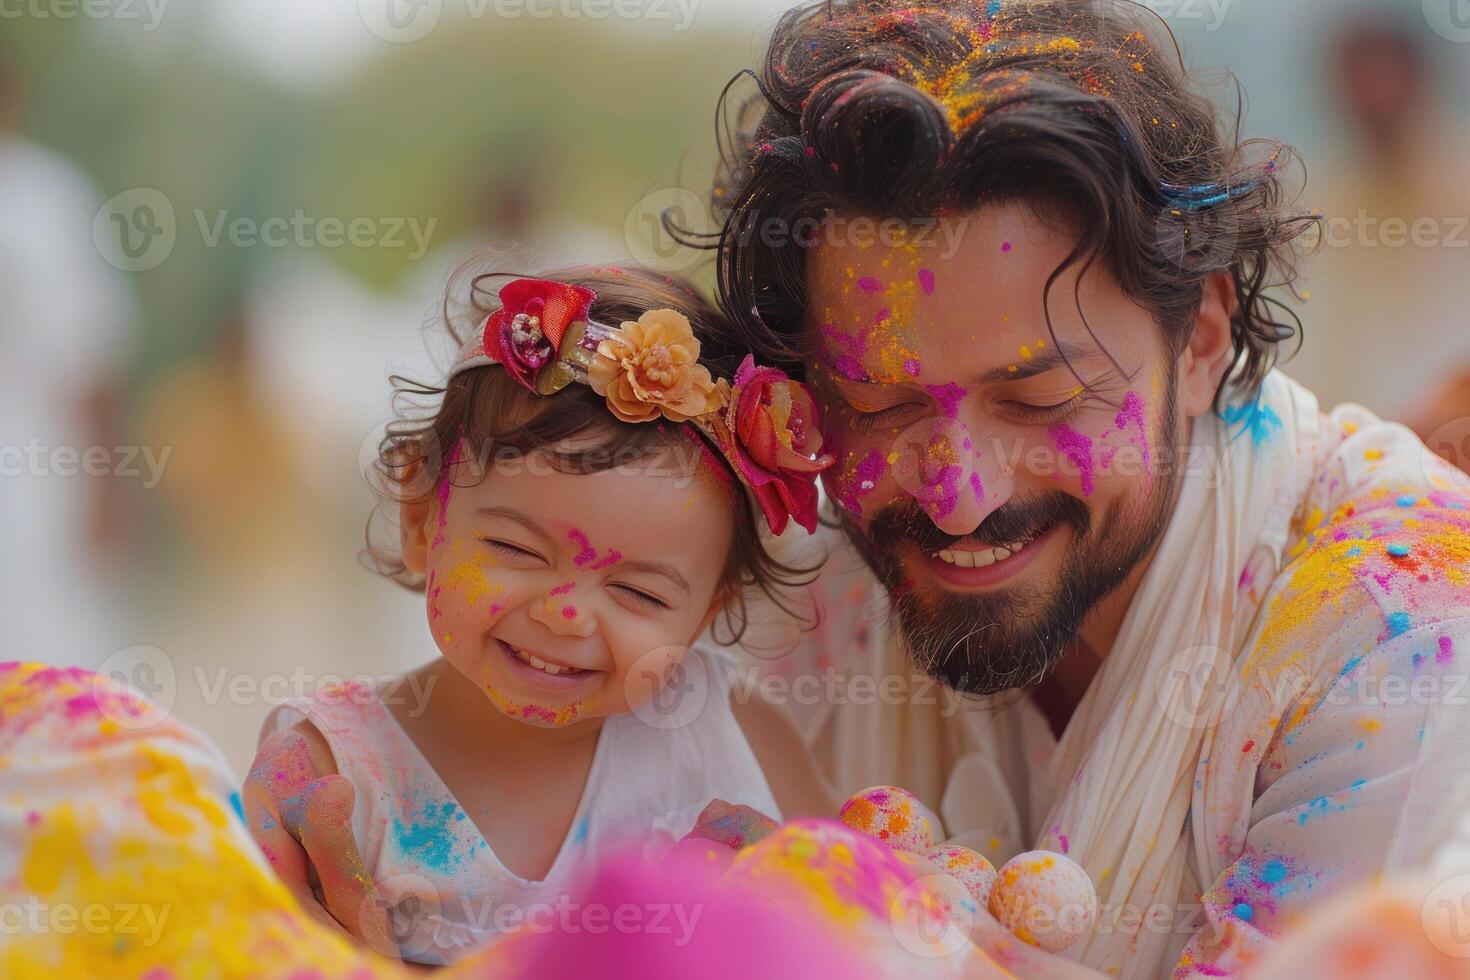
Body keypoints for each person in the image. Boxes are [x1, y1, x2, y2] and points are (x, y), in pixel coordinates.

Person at [698, 1, 1470, 976]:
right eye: (878, 405)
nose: (958, 501)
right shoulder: (803, 598)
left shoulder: (1396, 628)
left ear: (1198, 338)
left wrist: (886, 927)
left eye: (1038, 397)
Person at [243, 264, 835, 964]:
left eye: (640, 594)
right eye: (516, 549)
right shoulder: (333, 772)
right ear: (421, 518)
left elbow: (856, 936)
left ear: (709, 610)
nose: (566, 615)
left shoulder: (736, 739)